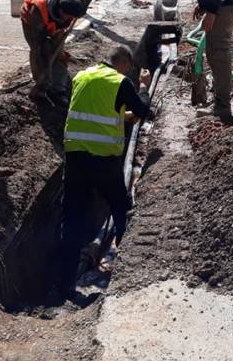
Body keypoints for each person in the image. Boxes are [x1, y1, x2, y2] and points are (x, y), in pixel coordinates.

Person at [58, 46, 152, 300]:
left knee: (72, 219)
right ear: (124, 63)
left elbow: (94, 113)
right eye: (128, 69)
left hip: (76, 158)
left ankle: (64, 285)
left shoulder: (81, 76)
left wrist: (121, 116)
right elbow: (143, 110)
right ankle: (125, 270)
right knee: (121, 208)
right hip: (104, 161)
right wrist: (144, 87)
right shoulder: (120, 82)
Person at [20, 0, 93, 103]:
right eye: (69, 16)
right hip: (31, 22)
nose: (70, 18)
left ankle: (59, 88)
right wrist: (45, 68)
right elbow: (39, 44)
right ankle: (41, 85)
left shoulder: (73, 0)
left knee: (58, 53)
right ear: (61, 11)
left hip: (54, 21)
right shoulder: (36, 12)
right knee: (41, 52)